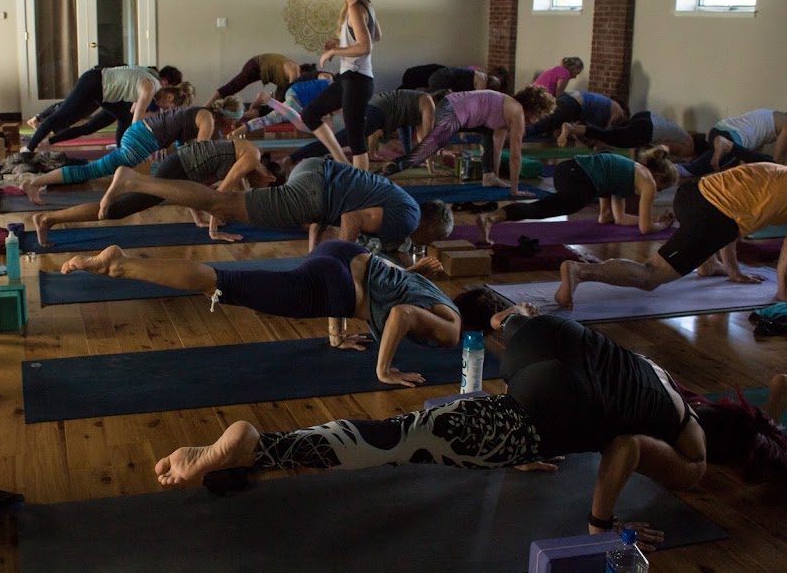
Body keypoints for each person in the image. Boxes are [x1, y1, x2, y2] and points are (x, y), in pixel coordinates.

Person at [151, 298, 732, 548]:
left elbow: (519, 319)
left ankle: (263, 447)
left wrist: (528, 430)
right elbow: (626, 444)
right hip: (553, 398)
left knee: (413, 433)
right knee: (401, 443)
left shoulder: (659, 377)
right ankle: (263, 447)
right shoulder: (692, 441)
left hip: (538, 344)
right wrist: (600, 522)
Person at [61, 240, 462, 386]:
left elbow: (388, 283)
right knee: (222, 282)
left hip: (340, 253)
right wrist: (384, 368)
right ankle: (120, 264)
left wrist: (337, 334)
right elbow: (402, 317)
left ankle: (124, 262)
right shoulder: (452, 330)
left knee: (230, 281)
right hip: (335, 281)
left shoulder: (439, 295)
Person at [97, 158, 452, 257]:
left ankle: (137, 182)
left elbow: (326, 214)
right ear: (432, 227)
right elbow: (351, 218)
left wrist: (314, 256)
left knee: (224, 204)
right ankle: (136, 181)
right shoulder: (407, 220)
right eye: (436, 238)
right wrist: (338, 264)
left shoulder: (404, 204)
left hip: (314, 172)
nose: (430, 243)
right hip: (316, 190)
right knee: (225, 205)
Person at [555, 162, 787, 308]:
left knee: (720, 228)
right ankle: (580, 271)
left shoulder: (779, 172)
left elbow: (736, 210)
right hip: (710, 214)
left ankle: (709, 265)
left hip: (692, 193)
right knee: (651, 276)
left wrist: (734, 271)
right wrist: (783, 293)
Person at [31, 139, 284, 246]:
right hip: (177, 165)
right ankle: (129, 179)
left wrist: (198, 219)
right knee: (117, 210)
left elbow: (198, 188)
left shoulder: (247, 155)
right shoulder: (251, 158)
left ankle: (48, 219)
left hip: (181, 166)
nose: (256, 190)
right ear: (270, 178)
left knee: (115, 211)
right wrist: (213, 230)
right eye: (264, 189)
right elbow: (219, 198)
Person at [22, 99, 233, 204]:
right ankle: (34, 183)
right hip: (143, 139)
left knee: (94, 169)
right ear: (227, 117)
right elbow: (200, 151)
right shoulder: (207, 119)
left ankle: (35, 183)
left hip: (141, 133)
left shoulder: (198, 112)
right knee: (93, 170)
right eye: (234, 122)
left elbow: (182, 144)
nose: (234, 126)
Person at [381, 87, 556, 198]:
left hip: (457, 109)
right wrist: (515, 190)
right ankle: (381, 174)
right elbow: (515, 155)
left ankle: (489, 177)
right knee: (425, 151)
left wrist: (494, 176)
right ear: (534, 109)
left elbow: (496, 149)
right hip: (453, 110)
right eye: (539, 115)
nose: (536, 120)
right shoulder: (516, 111)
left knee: (488, 134)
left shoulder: (506, 112)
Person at [477, 148, 678, 244]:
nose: (658, 192)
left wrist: (652, 220)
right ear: (659, 176)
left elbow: (611, 217)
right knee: (542, 208)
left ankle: (492, 218)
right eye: (662, 187)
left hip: (567, 170)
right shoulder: (649, 182)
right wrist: (662, 225)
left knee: (547, 206)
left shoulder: (629, 174)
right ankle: (491, 219)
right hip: (579, 178)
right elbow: (645, 229)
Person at [299, 0, 382, 172]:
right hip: (350, 78)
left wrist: (336, 51)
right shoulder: (365, 5)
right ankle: (342, 163)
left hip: (357, 80)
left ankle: (361, 187)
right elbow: (377, 35)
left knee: (356, 140)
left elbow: (366, 46)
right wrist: (342, 43)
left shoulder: (356, 8)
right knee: (309, 114)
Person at [23, 66, 169, 152]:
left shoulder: (150, 80)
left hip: (108, 95)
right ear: (169, 96)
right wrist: (140, 143)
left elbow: (132, 113)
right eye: (168, 107)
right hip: (94, 82)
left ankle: (121, 155)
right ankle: (29, 149)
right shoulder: (151, 86)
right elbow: (137, 120)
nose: (164, 109)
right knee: (62, 115)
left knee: (118, 120)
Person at [286, 89, 436, 170]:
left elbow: (405, 129)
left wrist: (411, 157)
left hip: (375, 108)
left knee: (340, 140)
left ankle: (294, 157)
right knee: (339, 141)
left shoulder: (416, 102)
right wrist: (431, 168)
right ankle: (292, 157)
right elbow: (428, 138)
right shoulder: (428, 102)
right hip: (377, 111)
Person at [558, 111, 705, 161]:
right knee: (610, 136)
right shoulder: (688, 148)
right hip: (648, 127)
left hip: (646, 117)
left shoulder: (686, 136)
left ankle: (580, 130)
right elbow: (663, 149)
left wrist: (635, 163)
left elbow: (642, 142)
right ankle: (572, 128)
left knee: (620, 138)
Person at [681, 109, 787, 177]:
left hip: (718, 131)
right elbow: (778, 162)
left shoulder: (773, 116)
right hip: (730, 138)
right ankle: (673, 169)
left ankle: (679, 168)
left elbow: (750, 155)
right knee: (771, 162)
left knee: (702, 167)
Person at [227, 73, 333, 138]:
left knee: (271, 119)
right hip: (298, 95)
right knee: (271, 119)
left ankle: (236, 132)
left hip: (296, 93)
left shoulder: (333, 86)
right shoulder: (334, 86)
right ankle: (267, 100)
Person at [206, 53, 301, 109]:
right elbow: (291, 92)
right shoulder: (294, 69)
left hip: (258, 66)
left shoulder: (292, 73)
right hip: (256, 65)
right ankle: (206, 107)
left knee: (281, 100)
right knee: (232, 87)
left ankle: (255, 107)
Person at [526, 91, 626, 140]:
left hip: (569, 99)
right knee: (540, 127)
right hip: (573, 104)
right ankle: (515, 135)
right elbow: (605, 135)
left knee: (547, 129)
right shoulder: (619, 113)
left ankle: (519, 134)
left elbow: (584, 129)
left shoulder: (605, 108)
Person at [427, 66, 502, 93]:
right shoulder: (482, 81)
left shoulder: (481, 76)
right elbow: (478, 98)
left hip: (439, 75)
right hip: (442, 79)